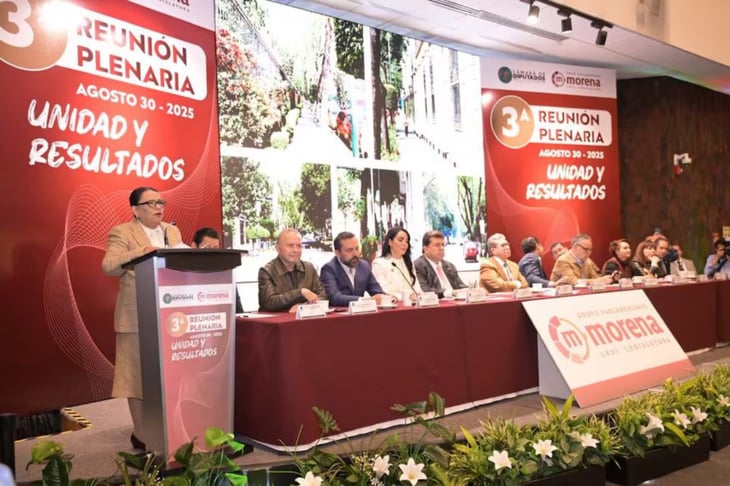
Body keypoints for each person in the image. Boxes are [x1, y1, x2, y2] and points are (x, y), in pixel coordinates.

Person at [102, 186, 182, 451]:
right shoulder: (122, 232)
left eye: (161, 202)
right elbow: (109, 266)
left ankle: (169, 427)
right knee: (135, 379)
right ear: (135, 210)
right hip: (136, 315)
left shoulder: (171, 232)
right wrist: (143, 252)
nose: (158, 207)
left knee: (167, 375)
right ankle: (140, 434)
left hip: (170, 315)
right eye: (151, 203)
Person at [258, 228, 327, 312]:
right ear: (277, 248)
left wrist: (303, 307)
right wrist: (300, 293)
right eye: (290, 245)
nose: (295, 250)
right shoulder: (267, 271)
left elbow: (323, 296)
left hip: (306, 317)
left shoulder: (309, 268)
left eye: (299, 246)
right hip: (279, 319)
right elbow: (269, 302)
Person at [319, 231, 386, 307]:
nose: (355, 254)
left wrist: (382, 297)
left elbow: (377, 291)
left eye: (357, 248)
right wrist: (363, 300)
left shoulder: (364, 266)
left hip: (362, 312)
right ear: (337, 253)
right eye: (349, 250)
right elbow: (335, 298)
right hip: (342, 313)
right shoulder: (329, 269)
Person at [191, 227, 244, 313]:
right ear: (194, 246)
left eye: (215, 248)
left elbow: (237, 309)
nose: (211, 253)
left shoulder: (225, 274)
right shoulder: (185, 274)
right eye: (206, 248)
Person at [372, 227, 422, 301]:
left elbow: (417, 287)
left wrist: (418, 294)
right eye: (400, 240)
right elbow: (383, 291)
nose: (405, 244)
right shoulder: (379, 263)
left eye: (407, 241)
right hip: (393, 304)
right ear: (390, 242)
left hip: (412, 303)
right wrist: (405, 297)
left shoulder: (408, 262)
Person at [414, 230, 466, 298]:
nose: (441, 248)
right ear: (426, 249)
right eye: (437, 245)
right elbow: (425, 290)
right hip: (436, 303)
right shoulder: (418, 265)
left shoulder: (449, 266)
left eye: (443, 245)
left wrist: (472, 290)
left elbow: (461, 286)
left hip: (455, 302)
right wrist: (448, 293)